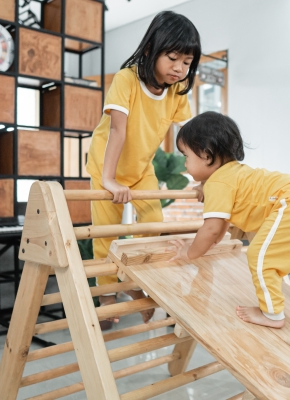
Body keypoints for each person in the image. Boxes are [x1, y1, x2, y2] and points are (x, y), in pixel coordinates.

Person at [169, 112, 290, 338]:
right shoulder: (234, 175)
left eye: (186, 156)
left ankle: (271, 314)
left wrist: (188, 252)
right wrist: (206, 186)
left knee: (261, 258)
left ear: (205, 153)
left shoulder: (219, 182)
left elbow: (211, 229)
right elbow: (220, 226)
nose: (185, 163)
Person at [85, 11, 201, 327]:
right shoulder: (127, 79)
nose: (179, 68)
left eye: (187, 62)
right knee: (105, 236)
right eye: (173, 58)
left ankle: (140, 288)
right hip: (106, 164)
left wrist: (202, 179)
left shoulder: (177, 91)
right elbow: (117, 131)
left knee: (152, 225)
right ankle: (108, 298)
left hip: (140, 168)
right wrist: (108, 180)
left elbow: (188, 137)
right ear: (150, 50)